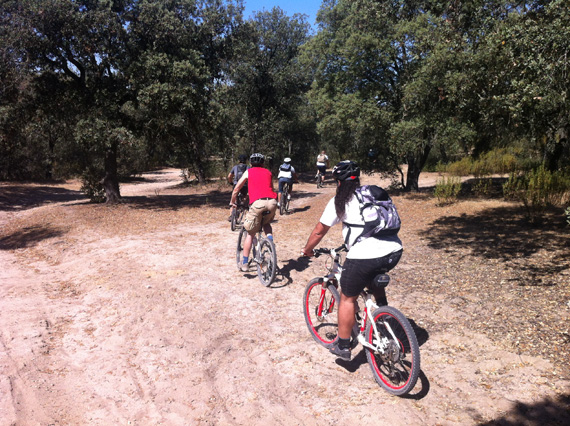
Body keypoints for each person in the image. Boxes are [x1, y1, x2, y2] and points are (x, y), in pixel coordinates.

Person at [300, 160, 403, 361]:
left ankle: (343, 346)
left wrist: (307, 250)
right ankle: (382, 319)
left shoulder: (341, 200)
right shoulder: (372, 194)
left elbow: (320, 230)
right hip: (394, 251)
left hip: (366, 254)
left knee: (347, 298)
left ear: (338, 182)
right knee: (372, 280)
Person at [231, 153, 278, 272]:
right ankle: (270, 243)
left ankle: (245, 263)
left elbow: (237, 188)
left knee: (250, 233)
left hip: (257, 203)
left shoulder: (249, 172)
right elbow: (270, 188)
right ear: (263, 163)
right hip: (272, 202)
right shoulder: (268, 172)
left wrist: (232, 201)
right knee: (266, 224)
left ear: (251, 163)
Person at [227, 154, 249, 221]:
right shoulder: (247, 167)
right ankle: (243, 203)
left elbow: (229, 176)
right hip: (244, 185)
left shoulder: (235, 167)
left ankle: (231, 215)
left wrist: (231, 182)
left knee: (233, 200)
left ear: (239, 160)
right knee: (246, 195)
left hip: (236, 184)